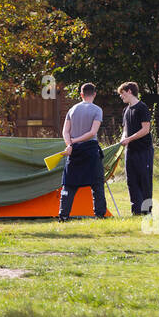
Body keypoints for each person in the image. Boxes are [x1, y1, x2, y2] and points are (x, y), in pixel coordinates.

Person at [58, 83, 106, 221]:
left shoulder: (72, 109)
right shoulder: (97, 110)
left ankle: (64, 216)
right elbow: (92, 133)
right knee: (97, 184)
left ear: (81, 94)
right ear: (94, 94)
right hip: (90, 150)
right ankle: (99, 215)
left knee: (69, 183)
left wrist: (70, 144)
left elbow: (65, 131)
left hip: (74, 151)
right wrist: (74, 141)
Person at [118, 82, 154, 216]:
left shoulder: (142, 108)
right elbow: (125, 130)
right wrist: (123, 139)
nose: (121, 97)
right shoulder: (126, 110)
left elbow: (145, 129)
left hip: (143, 151)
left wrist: (129, 139)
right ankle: (136, 211)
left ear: (129, 91)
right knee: (131, 181)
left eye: (122, 94)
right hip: (130, 151)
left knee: (144, 180)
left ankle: (147, 211)